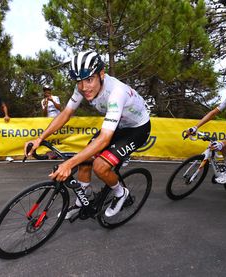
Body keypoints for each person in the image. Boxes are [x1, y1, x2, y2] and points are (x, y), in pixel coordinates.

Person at [25, 50, 151, 219]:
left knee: (99, 165)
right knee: (84, 162)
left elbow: (105, 138)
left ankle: (121, 193)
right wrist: (40, 138)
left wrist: (69, 164)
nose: (84, 87)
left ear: (101, 74)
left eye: (89, 80)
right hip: (118, 126)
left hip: (137, 129)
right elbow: (66, 113)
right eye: (79, 81)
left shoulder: (116, 93)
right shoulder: (82, 88)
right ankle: (82, 201)